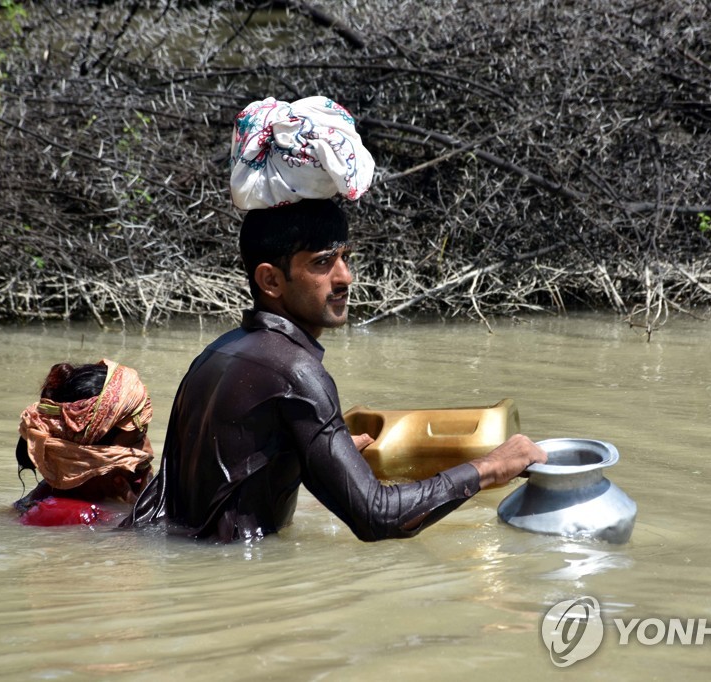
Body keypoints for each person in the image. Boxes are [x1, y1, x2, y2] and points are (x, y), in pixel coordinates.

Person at [123, 96, 545, 543]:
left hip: (183, 568)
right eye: (323, 263)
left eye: (345, 258)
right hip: (243, 592)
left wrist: (313, 456)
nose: (345, 277)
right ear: (270, 280)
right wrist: (488, 468)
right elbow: (377, 518)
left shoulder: (216, 354)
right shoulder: (295, 371)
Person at [14, 359, 155, 526]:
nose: (148, 453)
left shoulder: (46, 498)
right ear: (87, 455)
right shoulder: (73, 515)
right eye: (138, 440)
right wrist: (145, 513)